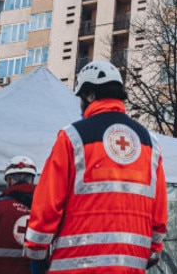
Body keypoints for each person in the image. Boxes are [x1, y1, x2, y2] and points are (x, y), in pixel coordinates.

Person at [25, 60, 167, 273]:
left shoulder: (72, 137)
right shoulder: (150, 143)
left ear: (90, 95)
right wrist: (154, 249)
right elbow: (159, 210)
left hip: (76, 265)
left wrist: (36, 250)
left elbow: (48, 201)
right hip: (131, 265)